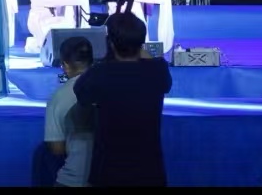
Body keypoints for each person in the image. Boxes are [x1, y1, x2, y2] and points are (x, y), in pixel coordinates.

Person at [72, 11, 172, 187]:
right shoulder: (158, 71)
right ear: (141, 42)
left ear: (110, 43)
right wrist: (135, 44)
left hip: (108, 173)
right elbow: (152, 64)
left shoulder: (99, 73)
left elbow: (81, 95)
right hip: (150, 173)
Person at [44, 36, 95, 187]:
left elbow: (57, 148)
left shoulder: (58, 97)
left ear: (65, 65)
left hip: (73, 180)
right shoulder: (111, 88)